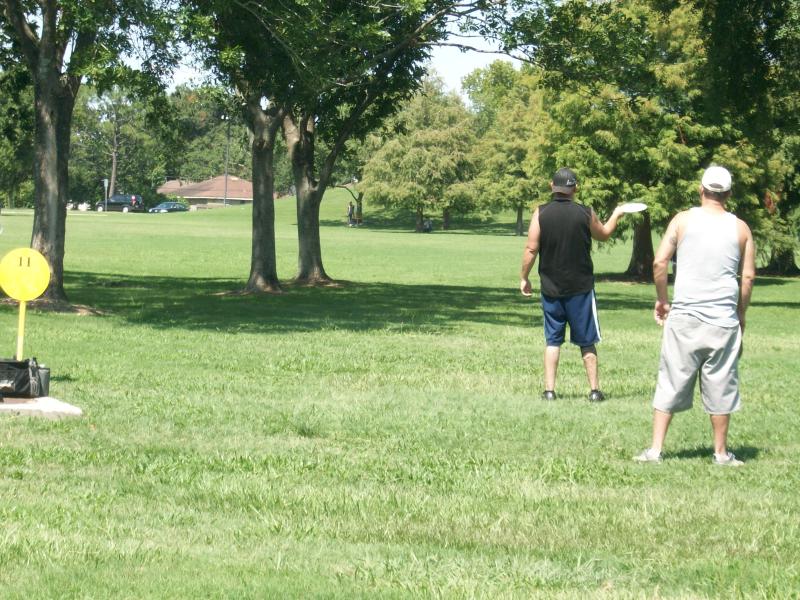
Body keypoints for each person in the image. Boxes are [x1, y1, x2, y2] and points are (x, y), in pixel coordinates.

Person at [634, 165, 755, 466]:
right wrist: (740, 313)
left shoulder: (682, 220)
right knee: (721, 383)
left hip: (685, 316)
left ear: (701, 190)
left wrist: (663, 300)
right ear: (728, 194)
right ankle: (720, 453)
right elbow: (748, 277)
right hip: (722, 321)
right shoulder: (741, 229)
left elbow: (660, 263)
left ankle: (656, 449)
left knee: (671, 380)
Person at [520, 167, 626, 402]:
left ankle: (549, 391)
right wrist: (617, 214)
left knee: (552, 340)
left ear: (552, 187)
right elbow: (604, 234)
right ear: (575, 188)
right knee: (587, 342)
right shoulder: (585, 213)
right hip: (581, 289)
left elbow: (531, 248)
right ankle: (595, 391)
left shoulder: (541, 213)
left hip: (551, 288)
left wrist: (524, 277)